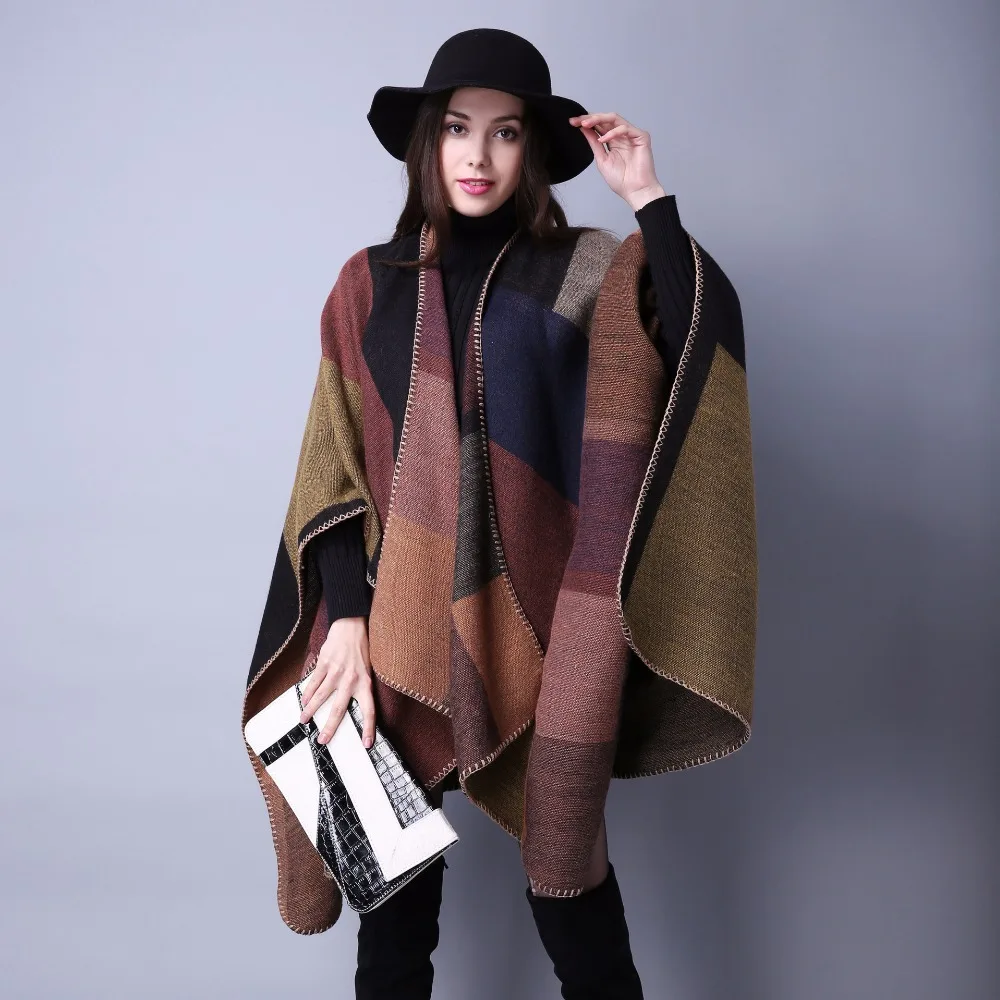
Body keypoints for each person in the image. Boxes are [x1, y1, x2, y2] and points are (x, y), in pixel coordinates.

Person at [242, 27, 758, 1000]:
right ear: (428, 141)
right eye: (457, 128)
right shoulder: (368, 283)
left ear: (532, 150)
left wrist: (649, 200)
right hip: (386, 626)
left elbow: (691, 340)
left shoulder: (587, 269)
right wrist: (345, 618)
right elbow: (333, 466)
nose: (478, 155)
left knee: (570, 886)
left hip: (552, 624)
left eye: (506, 132)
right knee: (392, 930)